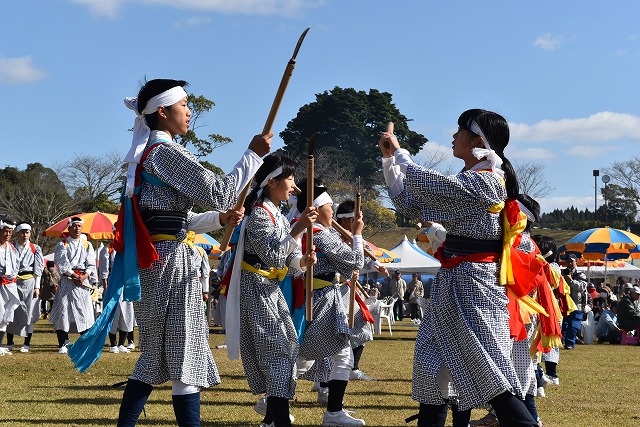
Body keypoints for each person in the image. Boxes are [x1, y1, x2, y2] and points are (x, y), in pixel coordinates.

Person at [112, 78, 269, 427]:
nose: (189, 112)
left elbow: (172, 217)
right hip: (170, 262)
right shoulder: (165, 152)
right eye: (185, 105)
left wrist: (219, 219)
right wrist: (253, 154)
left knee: (155, 353)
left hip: (160, 256)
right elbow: (218, 191)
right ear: (163, 112)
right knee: (183, 349)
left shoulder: (149, 155)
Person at [379, 109, 538, 426]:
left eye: (459, 130)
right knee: (430, 367)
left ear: (477, 139)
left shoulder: (489, 181)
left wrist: (399, 152)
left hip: (475, 285)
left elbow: (430, 184)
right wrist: (389, 161)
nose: (453, 135)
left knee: (486, 367)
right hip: (453, 283)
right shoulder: (471, 181)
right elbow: (411, 200)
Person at [227, 153, 316, 427]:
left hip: (271, 289)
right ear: (271, 182)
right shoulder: (258, 215)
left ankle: (270, 418)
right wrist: (298, 228)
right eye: (289, 178)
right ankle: (279, 420)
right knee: (278, 353)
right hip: (256, 288)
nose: (293, 184)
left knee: (287, 347)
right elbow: (272, 255)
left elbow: (286, 260)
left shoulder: (275, 213)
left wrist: (301, 261)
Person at [295, 179, 367, 426]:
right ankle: (273, 403)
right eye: (329, 205)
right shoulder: (318, 234)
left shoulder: (318, 233)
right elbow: (355, 261)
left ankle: (334, 411)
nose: (331, 210)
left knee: (340, 354)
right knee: (302, 358)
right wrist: (357, 235)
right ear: (318, 209)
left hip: (324, 299)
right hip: (320, 301)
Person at [49, 217, 97, 354]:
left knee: (85, 312)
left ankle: (85, 343)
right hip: (67, 281)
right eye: (74, 226)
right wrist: (74, 276)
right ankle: (63, 343)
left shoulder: (87, 244)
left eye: (79, 226)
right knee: (63, 310)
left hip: (83, 282)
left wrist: (84, 276)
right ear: (69, 228)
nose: (77, 228)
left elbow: (91, 264)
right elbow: (62, 264)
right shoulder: (62, 244)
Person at [5, 223, 44, 353]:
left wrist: (37, 286)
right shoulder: (10, 247)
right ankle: (9, 342)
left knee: (29, 312)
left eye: (27, 232)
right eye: (22, 232)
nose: (25, 235)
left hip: (29, 282)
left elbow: (38, 269)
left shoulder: (35, 248)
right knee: (11, 311)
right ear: (18, 233)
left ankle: (27, 343)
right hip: (13, 281)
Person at [0, 218, 19, 356]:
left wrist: (12, 276)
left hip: (10, 285)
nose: (7, 234)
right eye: (5, 231)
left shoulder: (12, 248)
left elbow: (16, 266)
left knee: (7, 315)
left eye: (10, 231)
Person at [561, 254, 588, 350]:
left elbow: (581, 287)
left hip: (577, 304)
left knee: (573, 325)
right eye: (567, 261)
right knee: (562, 324)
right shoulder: (562, 273)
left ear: (576, 262)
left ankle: (570, 343)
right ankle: (560, 341)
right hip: (564, 303)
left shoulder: (581, 274)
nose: (569, 263)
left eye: (571, 261)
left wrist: (570, 280)